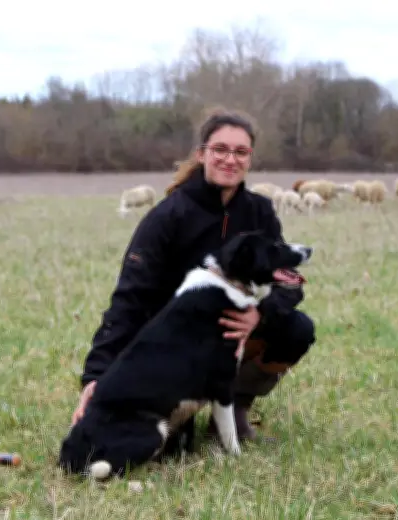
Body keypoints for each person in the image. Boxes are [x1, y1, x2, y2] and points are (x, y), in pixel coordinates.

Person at [70, 106, 316, 443]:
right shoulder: (168, 216)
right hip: (176, 344)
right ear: (201, 154)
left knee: (296, 329)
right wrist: (95, 377)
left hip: (232, 332)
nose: (230, 159)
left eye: (240, 152)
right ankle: (183, 408)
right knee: (169, 446)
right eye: (220, 149)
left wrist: (260, 315)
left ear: (250, 158)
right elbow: (130, 297)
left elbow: (287, 282)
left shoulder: (259, 211)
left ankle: (235, 409)